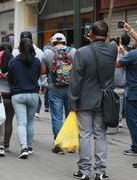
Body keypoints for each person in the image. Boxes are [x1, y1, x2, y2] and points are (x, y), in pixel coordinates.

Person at [69, 20, 117, 180]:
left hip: (85, 100)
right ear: (108, 35)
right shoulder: (112, 50)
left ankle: (84, 171)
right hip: (104, 100)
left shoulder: (82, 52)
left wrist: (72, 101)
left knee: (84, 134)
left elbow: (76, 80)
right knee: (100, 135)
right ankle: (101, 171)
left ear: (90, 34)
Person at [41, 32, 76, 154]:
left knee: (56, 118)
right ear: (65, 42)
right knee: (70, 116)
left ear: (53, 42)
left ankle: (59, 145)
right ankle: (70, 144)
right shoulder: (73, 51)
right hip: (70, 88)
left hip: (54, 88)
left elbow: (43, 71)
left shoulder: (48, 52)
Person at [8, 38, 41, 159]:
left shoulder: (13, 62)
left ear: (20, 48)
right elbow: (37, 76)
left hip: (17, 94)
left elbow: (10, 79)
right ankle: (30, 146)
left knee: (21, 123)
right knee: (30, 122)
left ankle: (24, 147)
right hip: (33, 94)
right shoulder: (37, 61)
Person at [117, 21, 137, 157]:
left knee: (132, 120)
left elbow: (118, 64)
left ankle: (136, 147)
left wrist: (120, 54)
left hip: (134, 92)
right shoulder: (132, 54)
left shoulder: (133, 54)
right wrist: (130, 31)